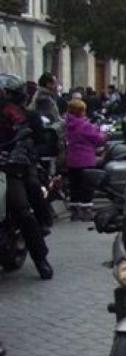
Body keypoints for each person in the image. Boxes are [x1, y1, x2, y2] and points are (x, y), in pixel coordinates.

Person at [0, 74, 53, 279]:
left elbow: (42, 141)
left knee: (22, 209)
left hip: (13, 167)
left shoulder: (26, 117)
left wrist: (24, 150)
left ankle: (40, 259)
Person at [64, 98, 105, 222]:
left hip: (72, 159)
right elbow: (97, 139)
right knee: (87, 186)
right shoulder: (84, 125)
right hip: (85, 159)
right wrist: (104, 134)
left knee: (74, 186)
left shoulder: (67, 124)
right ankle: (86, 210)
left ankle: (75, 211)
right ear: (80, 111)